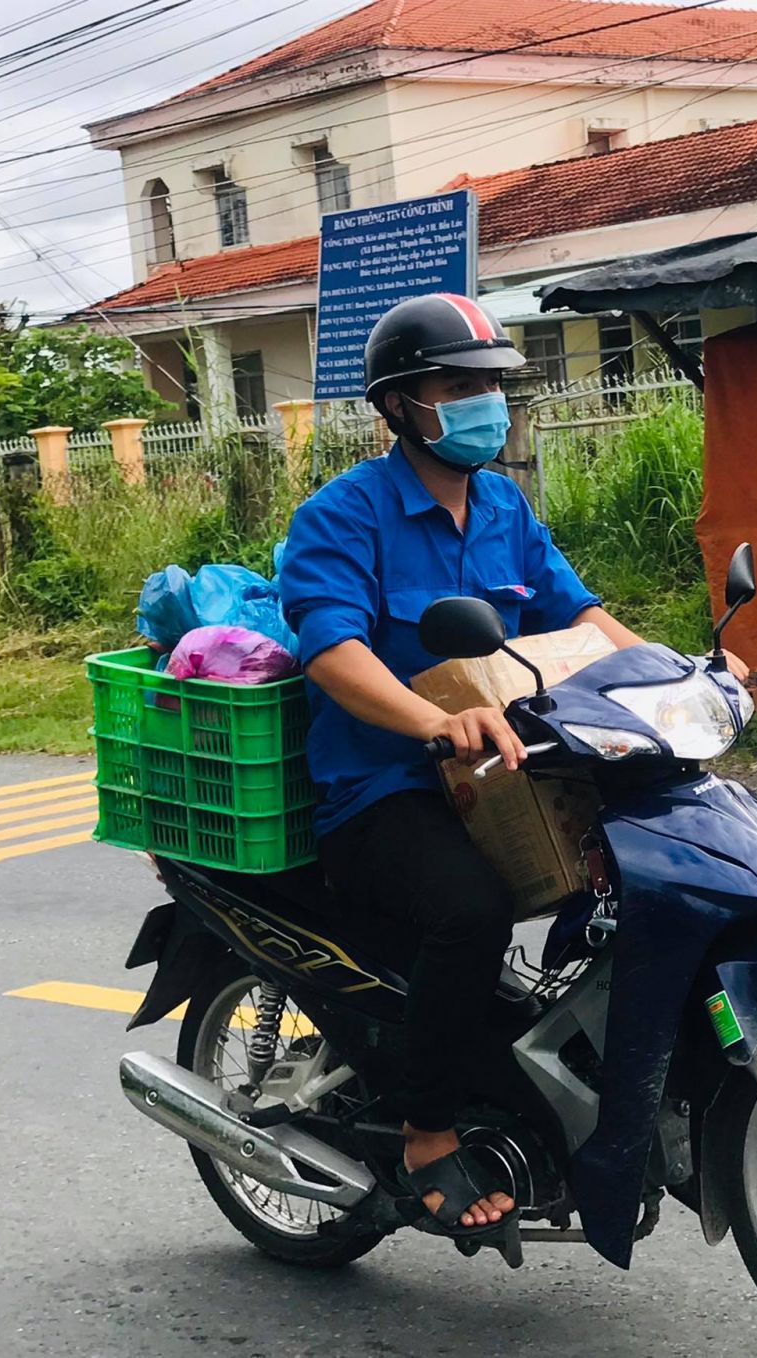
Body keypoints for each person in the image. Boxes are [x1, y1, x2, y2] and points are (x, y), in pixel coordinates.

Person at [277, 293, 649, 1238]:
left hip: (507, 773)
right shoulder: (343, 515)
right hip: (384, 792)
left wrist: (678, 676)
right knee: (471, 914)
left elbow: (581, 617)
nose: (485, 402)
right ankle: (428, 1132)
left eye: (491, 385)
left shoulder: (505, 506)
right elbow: (332, 650)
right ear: (399, 405)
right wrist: (431, 723)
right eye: (457, 386)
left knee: (638, 871)